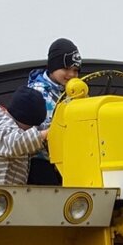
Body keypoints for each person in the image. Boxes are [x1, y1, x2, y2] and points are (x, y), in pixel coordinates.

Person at [25, 37, 81, 185]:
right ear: (53, 66)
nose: (71, 74)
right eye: (66, 69)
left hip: (65, 157)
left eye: (75, 70)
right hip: (40, 159)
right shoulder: (38, 92)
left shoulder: (71, 92)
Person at [0, 86, 49, 186]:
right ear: (22, 119)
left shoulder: (13, 125)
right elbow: (14, 144)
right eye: (30, 127)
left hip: (7, 191)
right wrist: (44, 134)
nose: (31, 130)